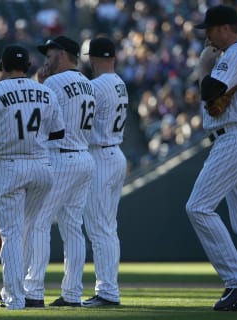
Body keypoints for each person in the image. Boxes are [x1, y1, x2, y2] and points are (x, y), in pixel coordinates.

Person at [186, 5, 237, 312]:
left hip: (235, 138)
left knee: (197, 207)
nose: (206, 37)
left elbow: (210, 91)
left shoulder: (234, 53)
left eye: (209, 30)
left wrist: (204, 67)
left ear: (223, 28)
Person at [0, 44, 65, 310]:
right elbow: (57, 133)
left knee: (11, 233)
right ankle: (28, 288)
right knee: (30, 229)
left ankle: (14, 297)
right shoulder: (46, 92)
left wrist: (3, 133)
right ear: (27, 68)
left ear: (3, 68)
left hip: (9, 165)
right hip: (40, 166)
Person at [35, 35, 96, 307]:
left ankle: (32, 290)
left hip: (61, 157)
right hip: (84, 157)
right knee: (73, 228)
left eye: (50, 55)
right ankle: (72, 294)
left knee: (39, 221)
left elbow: (39, 122)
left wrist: (40, 84)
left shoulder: (53, 82)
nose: (46, 60)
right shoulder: (88, 84)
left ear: (62, 54)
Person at [81, 37, 128, 307]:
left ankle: (107, 291)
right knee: (108, 228)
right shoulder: (119, 82)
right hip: (115, 153)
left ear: (92, 57)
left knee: (99, 229)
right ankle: (109, 288)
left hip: (99, 154)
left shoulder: (94, 86)